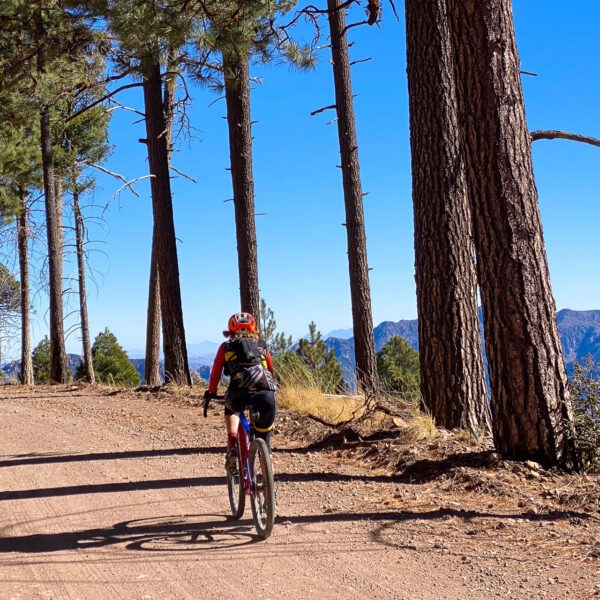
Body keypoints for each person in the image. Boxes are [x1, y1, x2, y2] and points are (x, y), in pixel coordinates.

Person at [203, 312, 277, 471]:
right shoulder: (262, 345)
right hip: (266, 394)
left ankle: (232, 445)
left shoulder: (226, 347)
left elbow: (215, 373)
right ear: (253, 328)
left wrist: (211, 392)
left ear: (231, 329)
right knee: (265, 440)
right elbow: (270, 370)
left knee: (231, 409)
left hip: (238, 394)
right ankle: (267, 487)